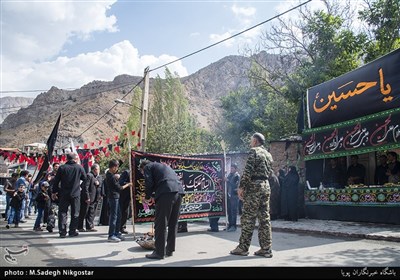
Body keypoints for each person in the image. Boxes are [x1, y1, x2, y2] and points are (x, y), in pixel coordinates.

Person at [230, 132, 274, 258]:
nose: (250, 143)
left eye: (251, 140)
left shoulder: (254, 152)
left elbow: (248, 171)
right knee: (264, 218)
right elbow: (270, 173)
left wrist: (241, 187)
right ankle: (266, 248)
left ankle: (243, 247)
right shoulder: (268, 155)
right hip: (265, 186)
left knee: (248, 218)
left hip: (254, 187)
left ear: (255, 141)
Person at [140, 159, 184, 260]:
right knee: (173, 223)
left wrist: (147, 197)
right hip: (179, 191)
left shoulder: (148, 167)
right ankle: (169, 250)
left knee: (161, 223)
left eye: (142, 172)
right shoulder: (162, 166)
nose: (143, 174)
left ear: (143, 168)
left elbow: (149, 182)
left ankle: (159, 253)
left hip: (166, 192)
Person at [52, 152, 87, 238]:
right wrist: (79, 186)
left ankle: (62, 231)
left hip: (64, 193)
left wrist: (54, 192)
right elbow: (85, 179)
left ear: (66, 159)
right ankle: (72, 231)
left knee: (63, 212)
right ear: (75, 159)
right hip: (75, 193)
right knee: (75, 213)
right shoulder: (79, 168)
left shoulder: (62, 168)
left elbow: (56, 181)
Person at [104, 160, 131, 242]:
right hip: (113, 197)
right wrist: (128, 184)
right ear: (114, 167)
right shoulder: (110, 176)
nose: (117, 169)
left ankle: (116, 232)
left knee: (118, 216)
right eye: (116, 167)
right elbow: (119, 188)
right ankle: (111, 235)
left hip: (116, 197)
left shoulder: (112, 175)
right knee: (114, 217)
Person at [78, 163, 102, 232]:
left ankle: (89, 226)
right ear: (95, 169)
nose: (99, 171)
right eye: (98, 169)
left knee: (91, 212)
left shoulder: (95, 176)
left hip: (93, 197)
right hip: (88, 198)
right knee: (84, 212)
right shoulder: (89, 175)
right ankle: (80, 226)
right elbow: (85, 187)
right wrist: (87, 197)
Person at [226, 163, 240, 232]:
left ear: (235, 169)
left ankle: (233, 226)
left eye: (232, 168)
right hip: (229, 195)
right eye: (230, 168)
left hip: (234, 196)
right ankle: (230, 224)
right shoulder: (229, 175)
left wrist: (228, 181)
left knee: (233, 211)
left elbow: (236, 186)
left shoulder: (237, 176)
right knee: (229, 211)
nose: (231, 169)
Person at [118, 168, 131, 234]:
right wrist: (128, 184)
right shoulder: (126, 172)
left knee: (125, 212)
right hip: (123, 195)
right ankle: (118, 227)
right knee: (121, 211)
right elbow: (121, 182)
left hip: (129, 196)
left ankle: (123, 227)